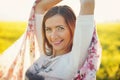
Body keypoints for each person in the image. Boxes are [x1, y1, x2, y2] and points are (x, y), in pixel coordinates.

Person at [25, 0, 102, 80]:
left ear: (73, 29)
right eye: (48, 29)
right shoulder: (46, 53)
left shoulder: (74, 60)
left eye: (60, 28)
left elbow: (87, 3)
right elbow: (40, 7)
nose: (53, 36)